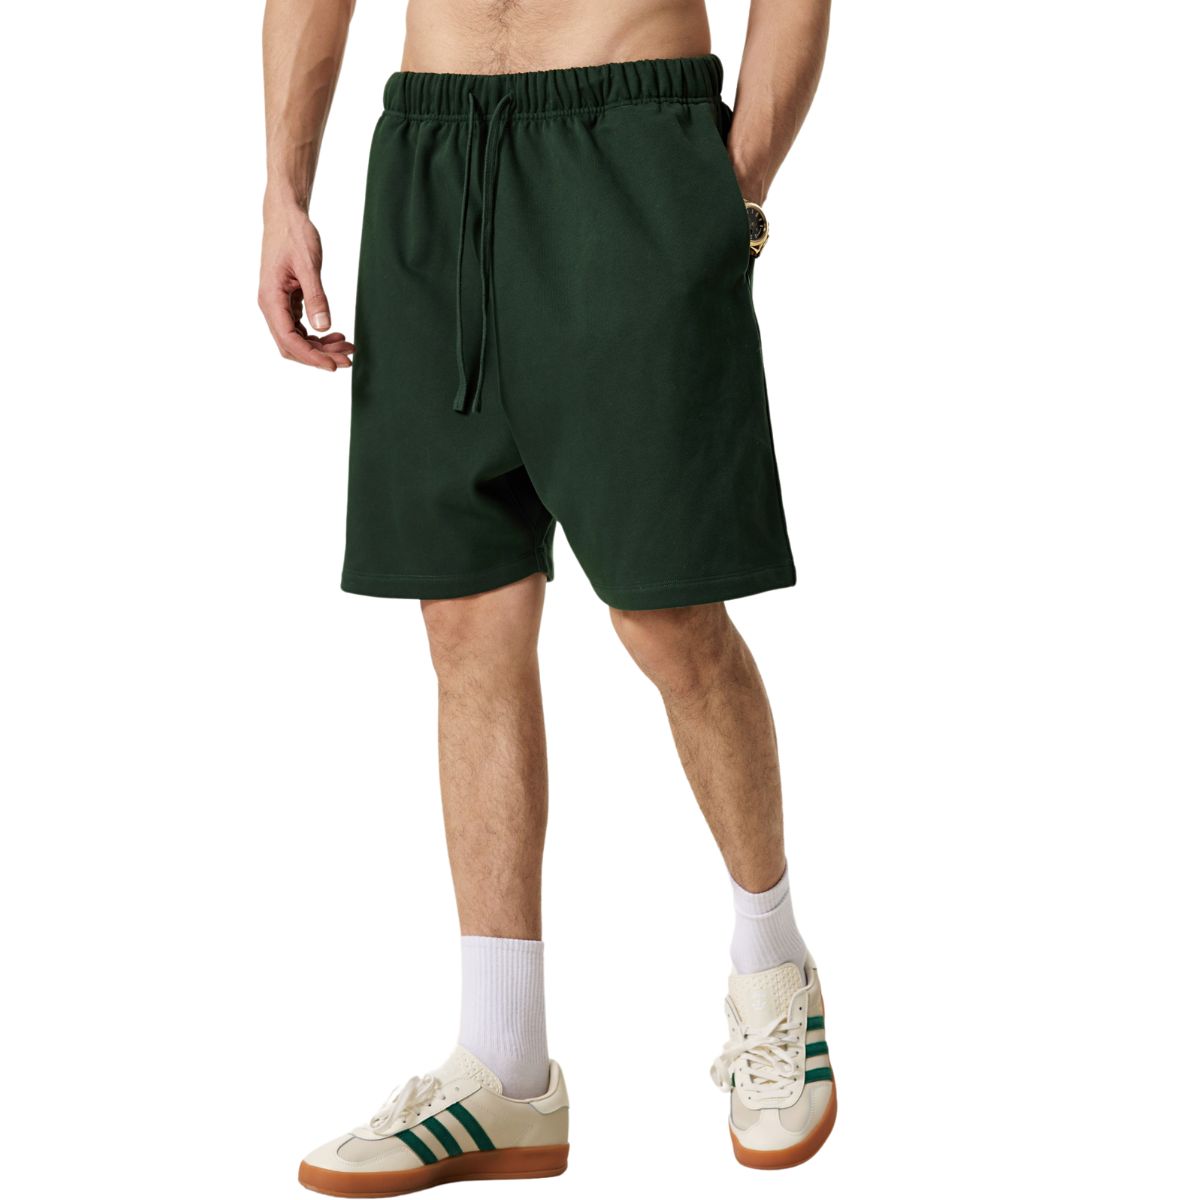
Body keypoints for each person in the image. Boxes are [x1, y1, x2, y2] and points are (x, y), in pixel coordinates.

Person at [259, 1, 832, 1193]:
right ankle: (506, 1071)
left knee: (667, 615)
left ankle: (772, 971)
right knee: (465, 620)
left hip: (630, 136)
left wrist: (729, 188)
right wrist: (283, 188)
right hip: (430, 151)